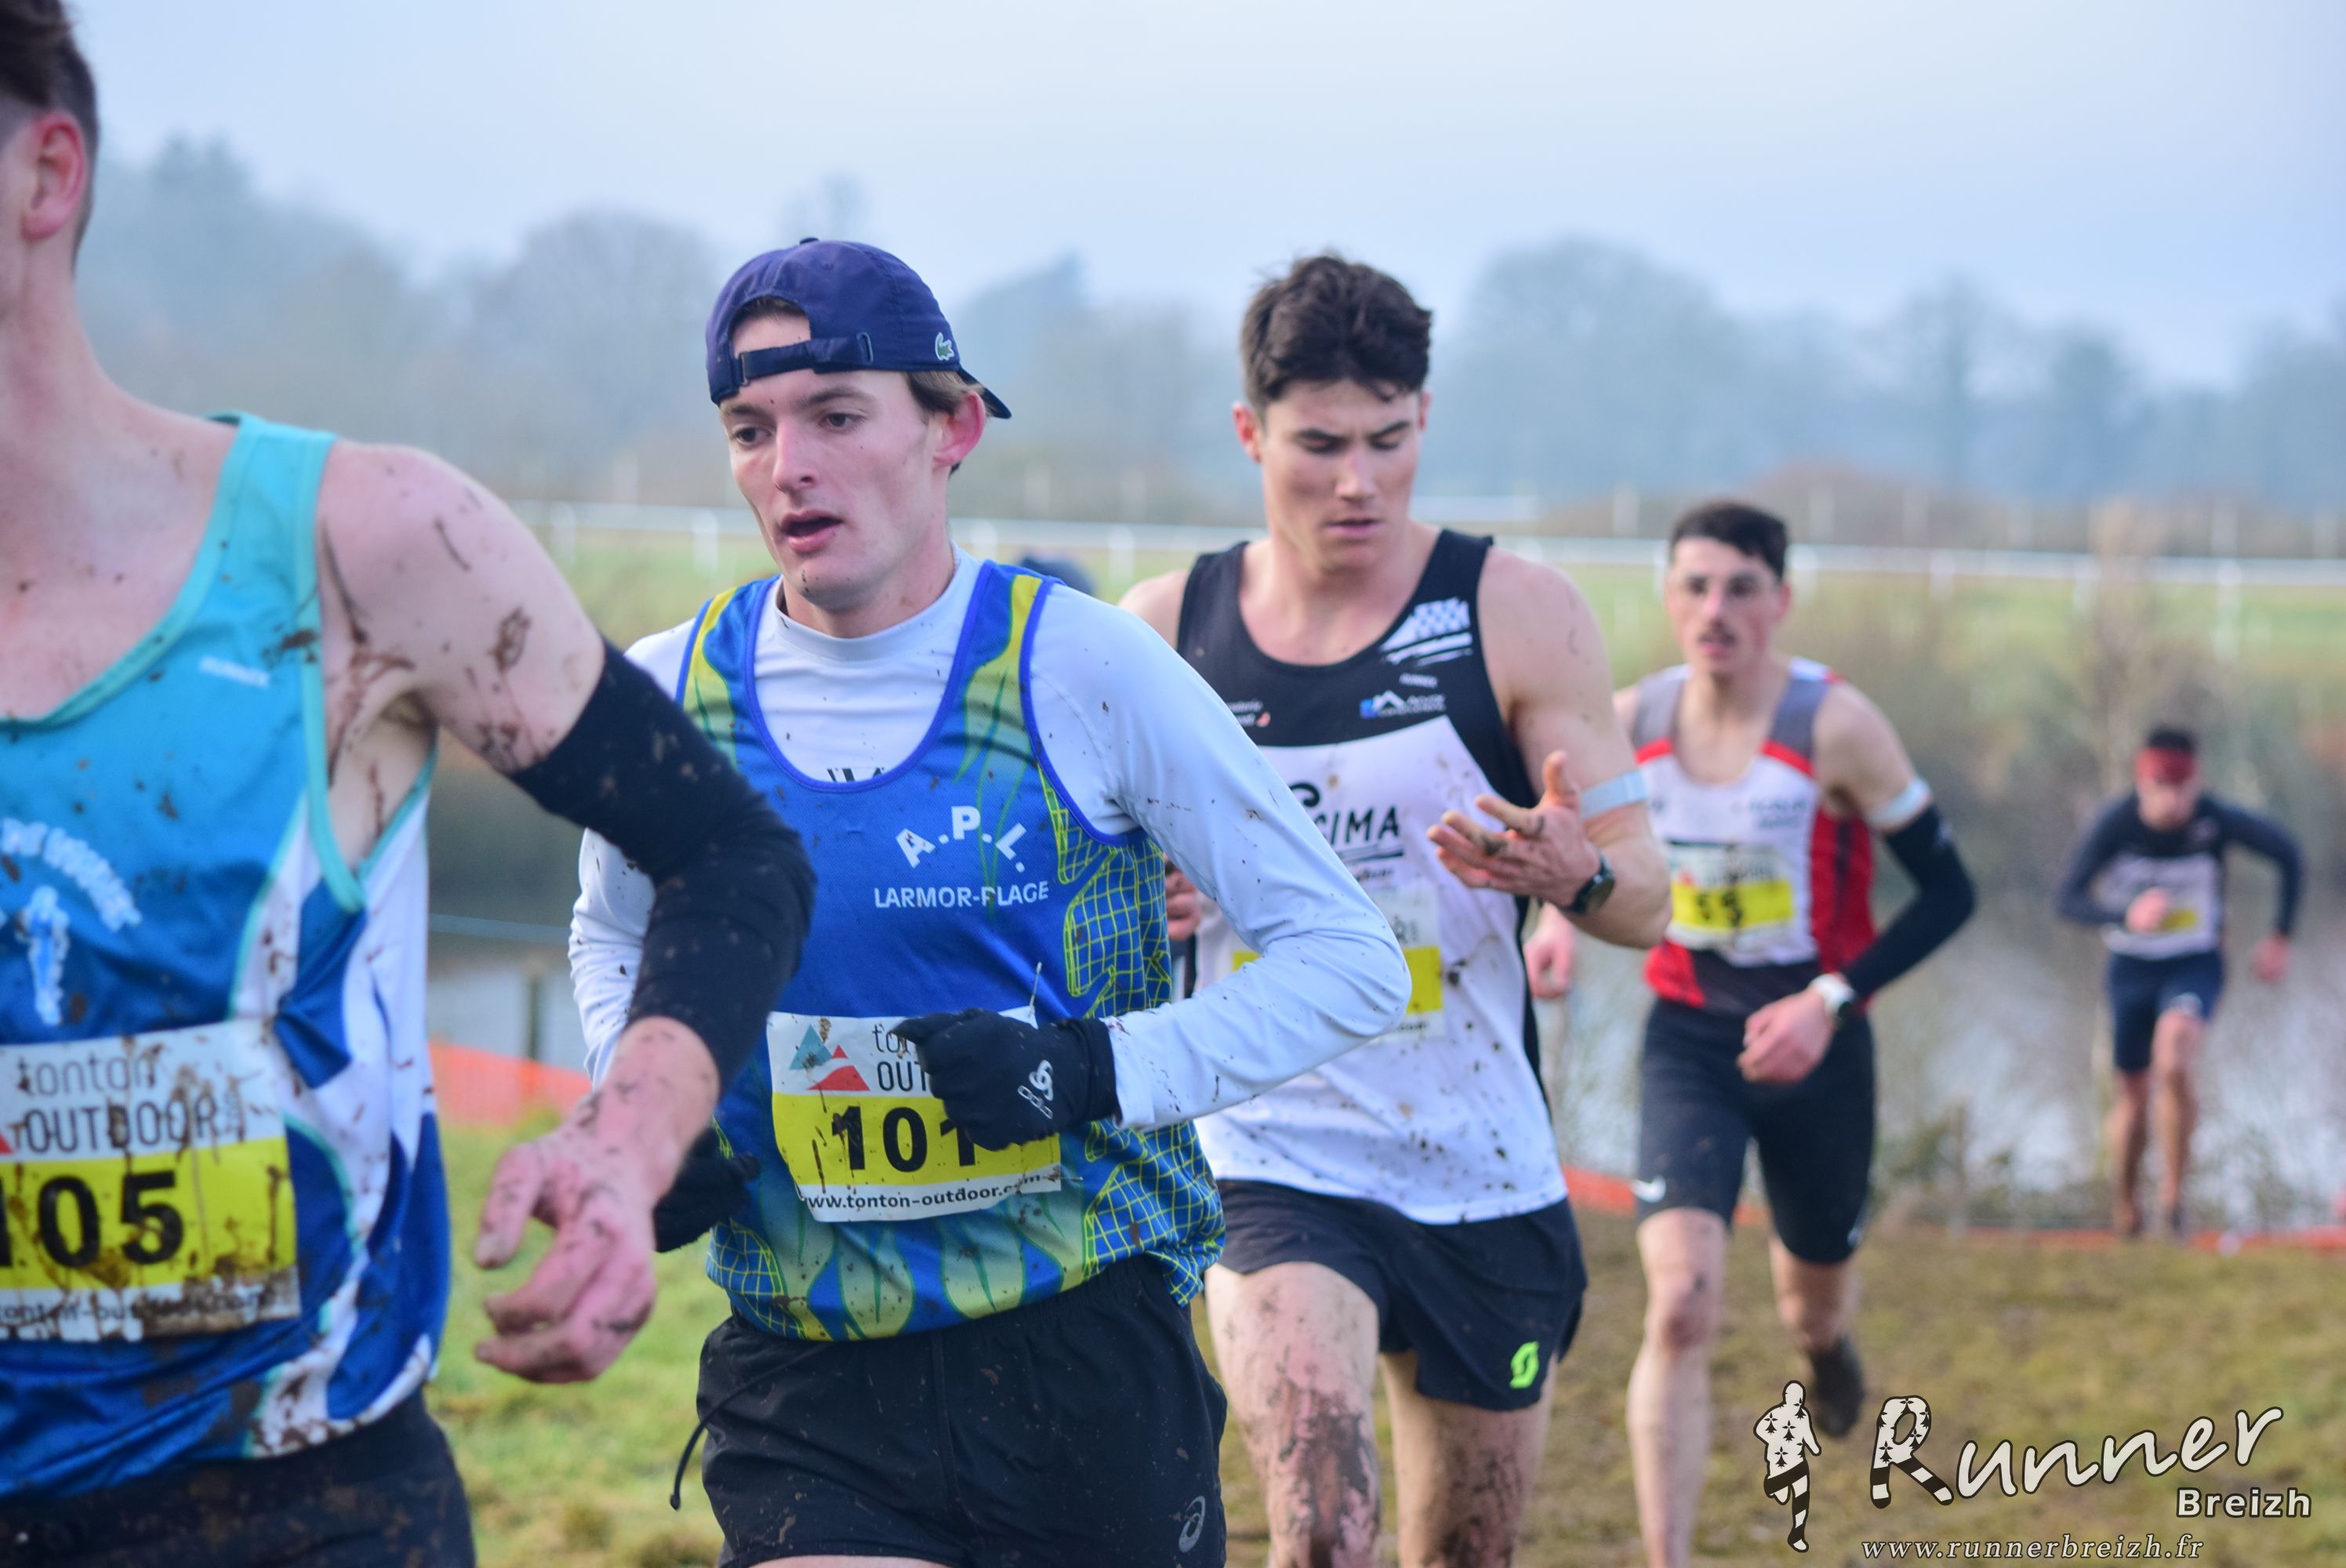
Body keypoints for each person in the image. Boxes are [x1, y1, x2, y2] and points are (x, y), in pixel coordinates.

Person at [0, 7, 815, 1565]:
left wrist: (627, 1143)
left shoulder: (361, 547)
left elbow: (729, 855)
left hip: (297, 1504)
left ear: (46, 174)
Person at [567, 239, 1410, 1568]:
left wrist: (1089, 1067)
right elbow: (613, 928)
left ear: (951, 427)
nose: (788, 467)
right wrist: (640, 1108)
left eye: (836, 417)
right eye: (750, 429)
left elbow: (1351, 962)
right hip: (811, 1370)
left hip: (1083, 1354)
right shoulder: (670, 693)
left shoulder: (1086, 668)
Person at [1121, 254, 1671, 1568]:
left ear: (1424, 419)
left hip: (1477, 1160)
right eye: (1319, 446)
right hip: (1268, 1150)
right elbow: (1071, 913)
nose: (1357, 482)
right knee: (1323, 1532)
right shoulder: (1162, 635)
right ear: (1251, 434)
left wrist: (1571, 874)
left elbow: (1646, 901)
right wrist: (1143, 902)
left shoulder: (1518, 613)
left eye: (1387, 440)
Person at [1523, 500, 1974, 1568]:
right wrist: (1557, 924)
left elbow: (1951, 893)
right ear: (1668, 596)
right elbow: (1574, 848)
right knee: (1680, 1302)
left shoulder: (1837, 726)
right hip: (1690, 1040)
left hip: (1820, 1046)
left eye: (1739, 588)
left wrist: (1830, 1001)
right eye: (1694, 586)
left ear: (1781, 600)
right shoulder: (1631, 719)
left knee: (1808, 1304)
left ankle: (1828, 1349)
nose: (1714, 610)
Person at [2054, 725, 2301, 1239]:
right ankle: (2127, 1205)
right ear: (2141, 781)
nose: (2171, 801)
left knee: (2173, 1058)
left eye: (2180, 788)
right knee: (2132, 1096)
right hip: (2131, 969)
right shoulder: (2116, 825)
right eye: (2159, 787)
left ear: (2197, 781)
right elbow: (2067, 900)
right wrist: (2124, 914)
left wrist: (2280, 936)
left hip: (2194, 962)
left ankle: (2173, 1200)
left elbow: (2289, 854)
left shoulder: (2215, 820)